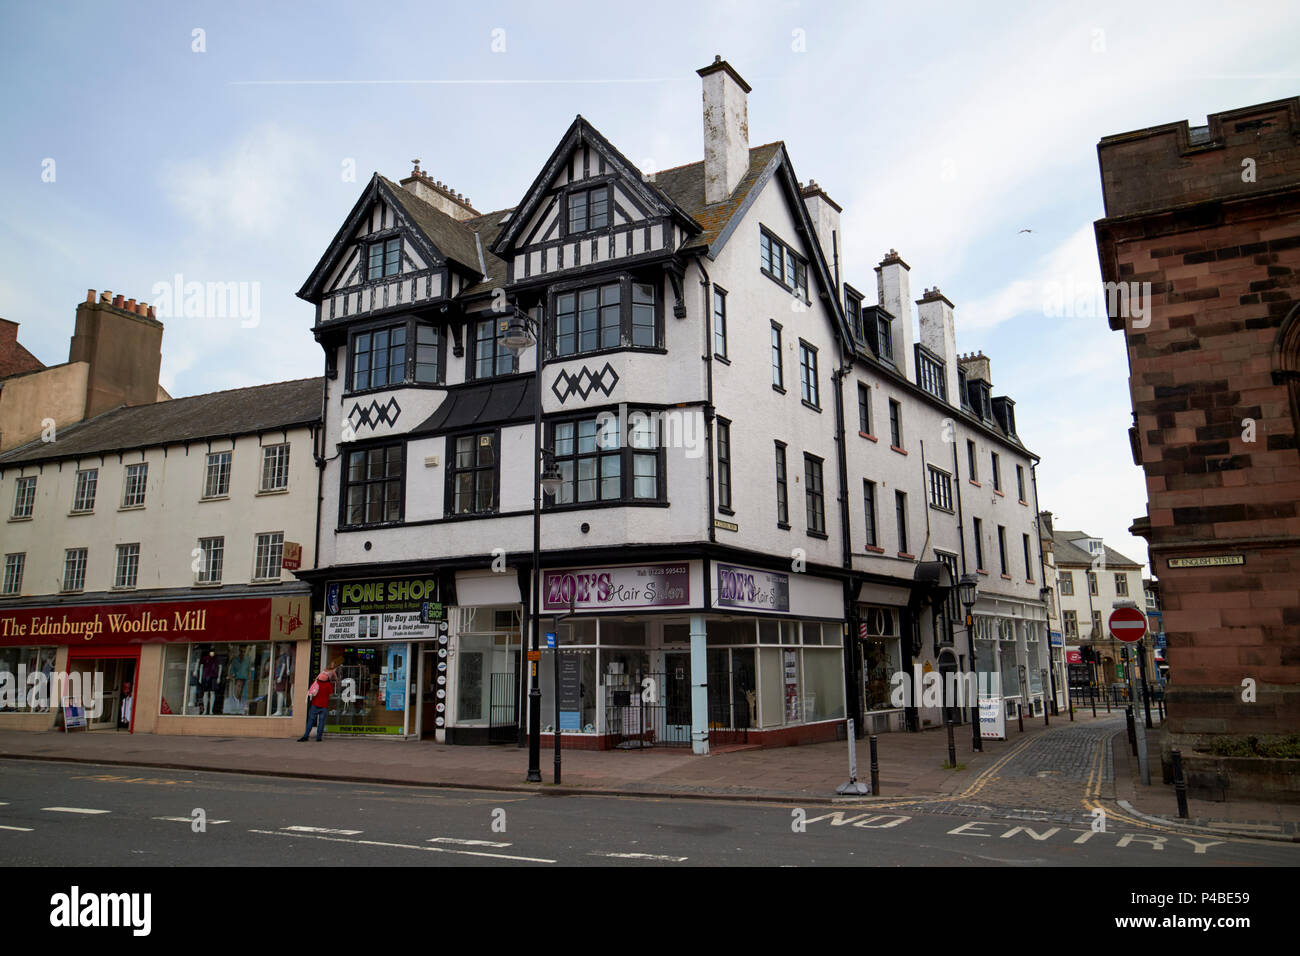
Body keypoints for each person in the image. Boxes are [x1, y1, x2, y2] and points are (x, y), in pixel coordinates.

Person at [297, 668, 336, 742]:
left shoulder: (316, 683)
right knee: (321, 721)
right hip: (324, 706)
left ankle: (306, 736)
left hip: (315, 704)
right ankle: (318, 737)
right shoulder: (328, 685)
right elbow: (331, 694)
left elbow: (311, 691)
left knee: (311, 720)